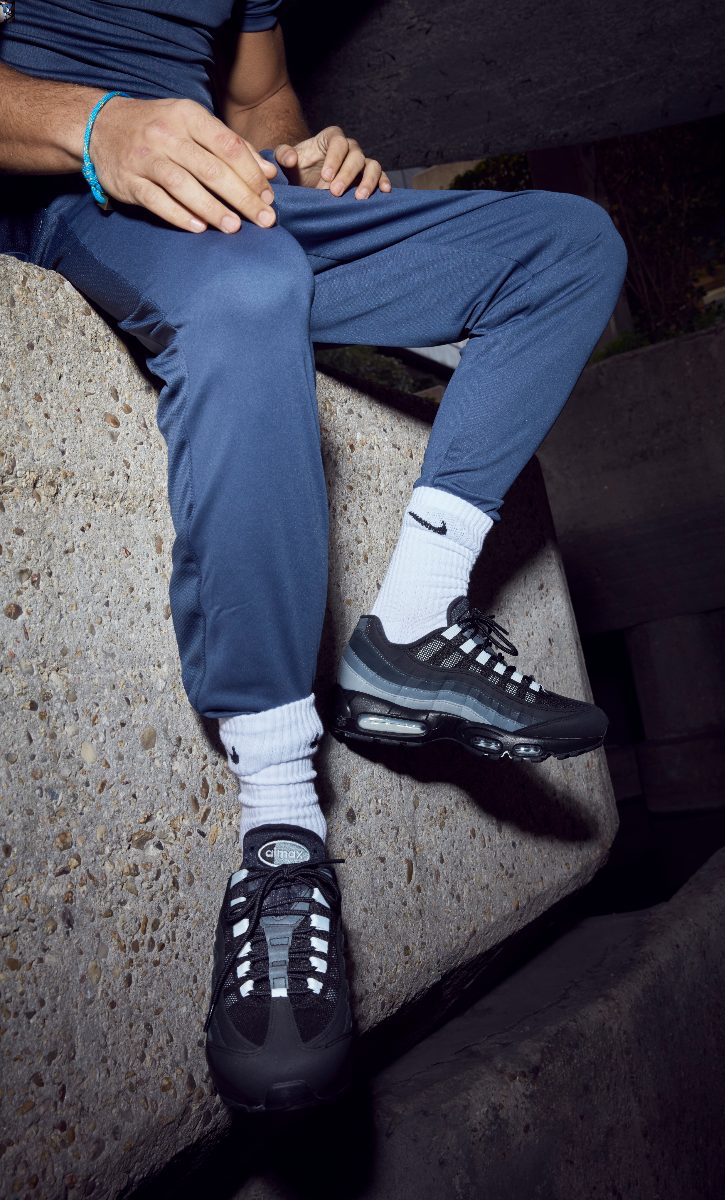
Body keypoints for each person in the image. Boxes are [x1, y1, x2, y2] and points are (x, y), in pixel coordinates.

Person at [0, 0, 628, 1113]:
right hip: (65, 193)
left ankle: (415, 623)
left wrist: (307, 153)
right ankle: (282, 831)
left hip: (235, 199)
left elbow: (261, 101)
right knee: (249, 288)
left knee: (568, 247)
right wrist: (95, 126)